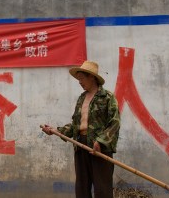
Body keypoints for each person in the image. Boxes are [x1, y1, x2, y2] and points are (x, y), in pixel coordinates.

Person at [42, 60, 120, 198]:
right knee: (82, 188)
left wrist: (101, 142)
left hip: (99, 148)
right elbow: (76, 125)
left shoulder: (107, 97)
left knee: (102, 189)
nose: (79, 82)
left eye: (82, 78)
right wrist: (57, 131)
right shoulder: (81, 98)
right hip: (80, 145)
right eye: (78, 79)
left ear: (92, 77)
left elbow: (114, 123)